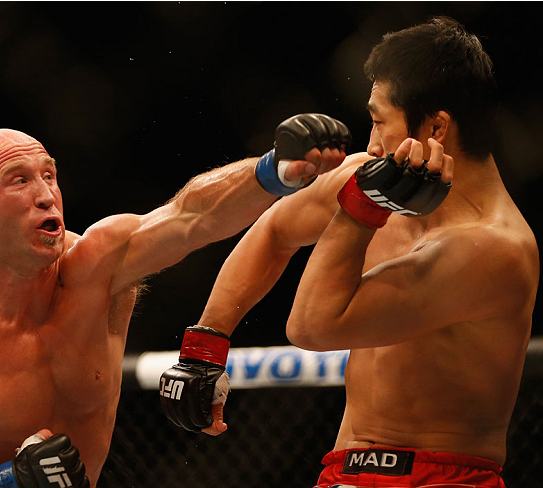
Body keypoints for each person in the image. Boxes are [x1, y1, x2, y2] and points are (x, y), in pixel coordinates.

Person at [0, 114, 351, 488]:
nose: (46, 196)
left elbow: (191, 216)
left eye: (49, 176)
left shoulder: (97, 270)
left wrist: (276, 170)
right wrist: (1, 482)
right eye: (19, 181)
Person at [160, 17, 539, 488]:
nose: (371, 142)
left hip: (443, 478)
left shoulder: (495, 249)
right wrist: (205, 347)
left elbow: (312, 326)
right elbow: (276, 229)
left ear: (437, 127)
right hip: (343, 467)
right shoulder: (374, 172)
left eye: (380, 120)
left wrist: (361, 211)